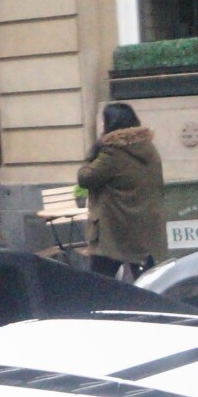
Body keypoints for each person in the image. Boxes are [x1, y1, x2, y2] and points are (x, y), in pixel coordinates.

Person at [75, 102, 168, 281]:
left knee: (100, 281)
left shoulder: (112, 153)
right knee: (147, 280)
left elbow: (85, 178)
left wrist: (95, 150)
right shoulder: (148, 148)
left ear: (110, 124)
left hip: (114, 230)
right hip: (144, 227)